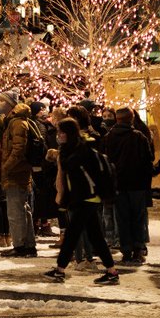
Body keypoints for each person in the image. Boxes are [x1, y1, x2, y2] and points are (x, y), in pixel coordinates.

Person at [42, 118, 120, 285]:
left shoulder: (79, 151)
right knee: (95, 236)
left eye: (61, 132)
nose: (59, 136)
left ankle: (59, 270)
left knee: (71, 235)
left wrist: (68, 199)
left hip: (85, 198)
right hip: (85, 198)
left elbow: (79, 179)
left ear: (68, 133)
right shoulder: (74, 149)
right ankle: (111, 271)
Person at [103, 107, 154, 264]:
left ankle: (126, 249)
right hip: (137, 184)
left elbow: (105, 161)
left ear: (117, 119)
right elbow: (148, 161)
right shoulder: (138, 137)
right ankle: (138, 249)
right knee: (138, 217)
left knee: (122, 218)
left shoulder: (108, 137)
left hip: (118, 184)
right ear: (131, 119)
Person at [0, 90, 38, 258]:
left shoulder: (16, 122)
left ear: (10, 103)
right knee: (22, 208)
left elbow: (18, 149)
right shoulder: (14, 121)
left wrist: (6, 167)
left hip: (16, 172)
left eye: (1, 100)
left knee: (15, 211)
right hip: (19, 171)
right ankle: (28, 244)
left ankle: (20, 245)